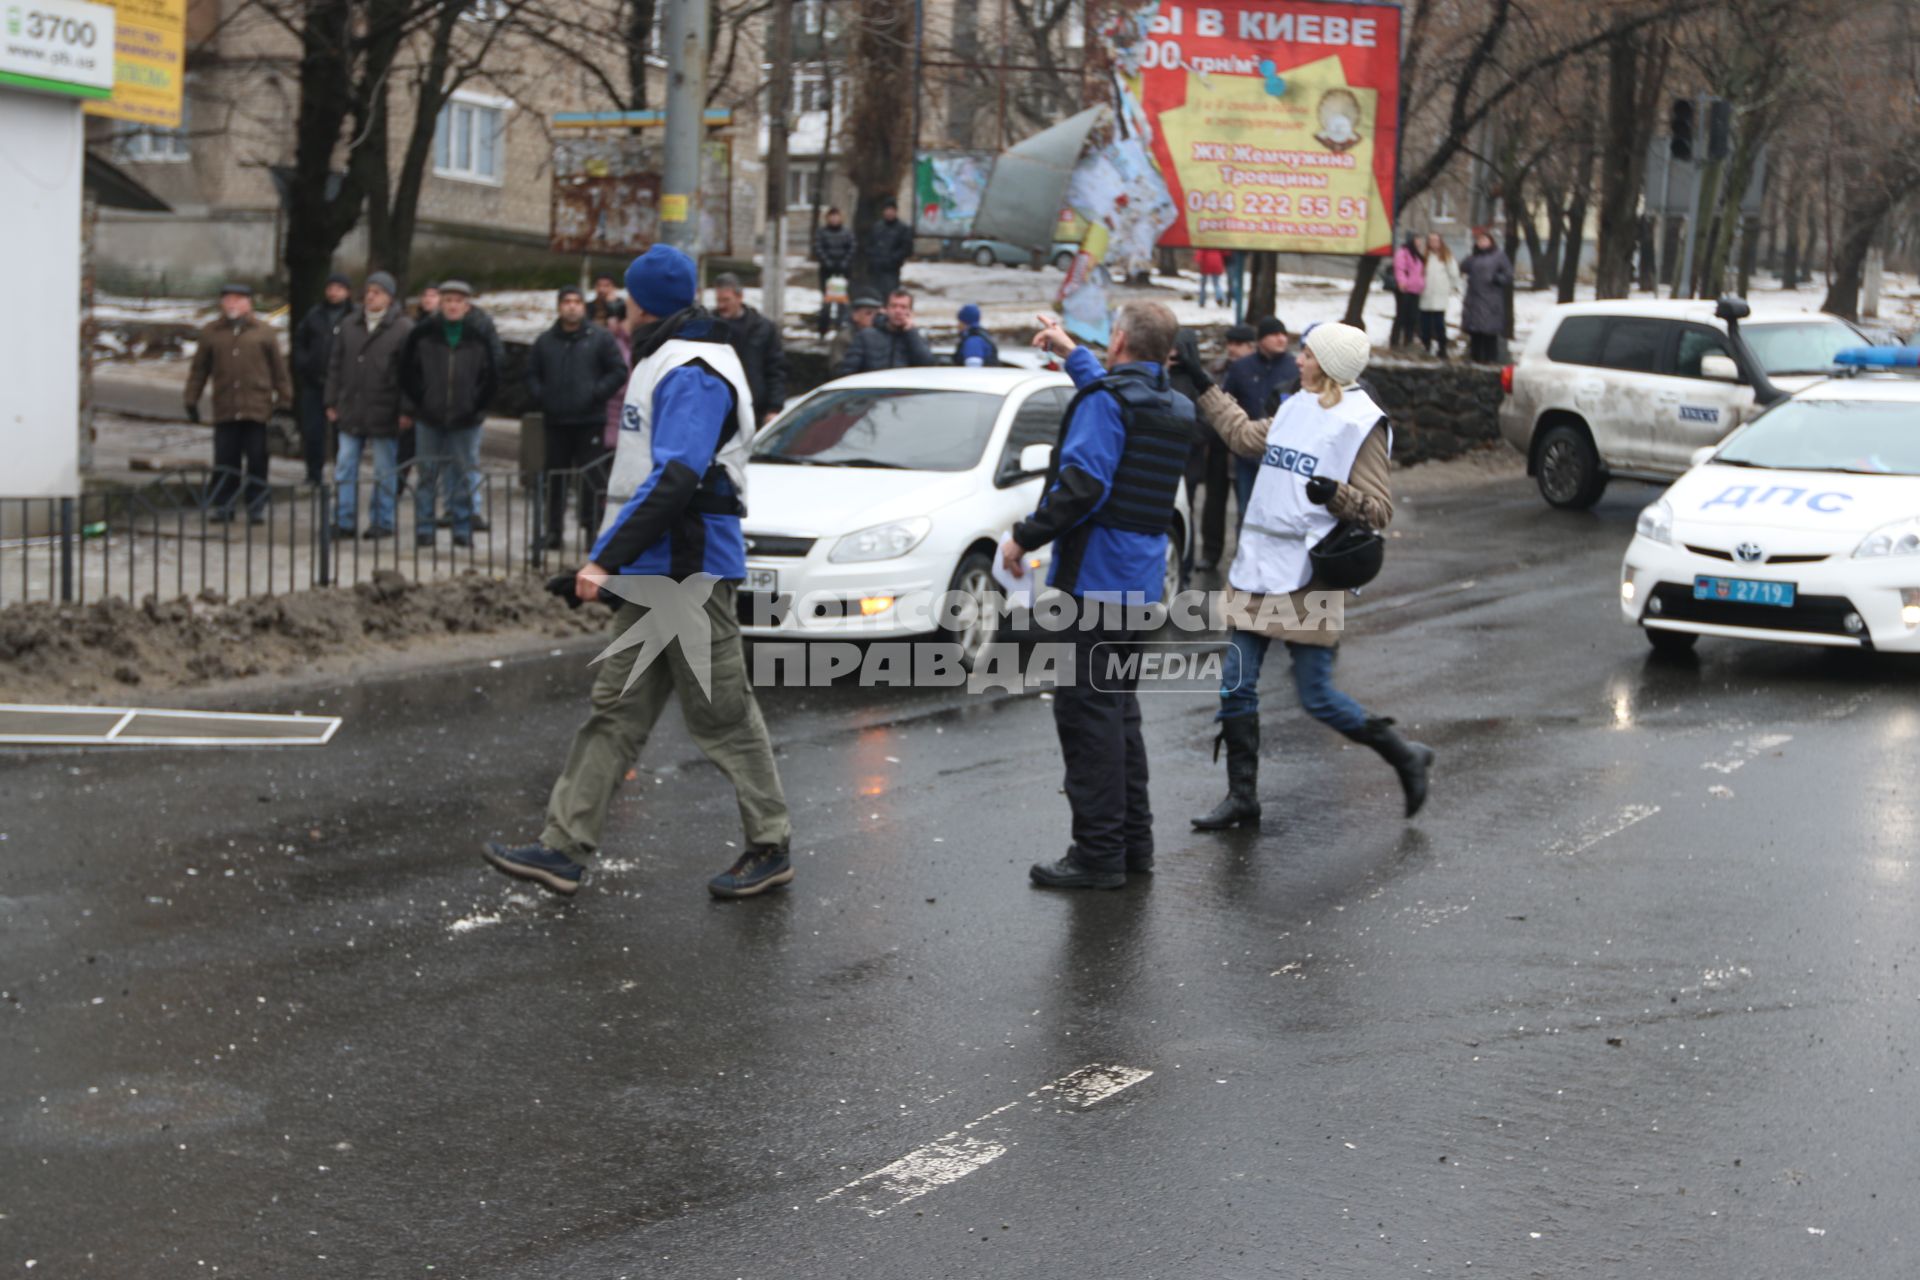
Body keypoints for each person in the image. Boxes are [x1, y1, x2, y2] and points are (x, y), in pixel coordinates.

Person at [484, 243, 793, 900]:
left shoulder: (693, 367)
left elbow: (677, 476)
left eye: (625, 293)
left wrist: (603, 561)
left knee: (721, 715)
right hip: (658, 567)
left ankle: (771, 844)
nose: (618, 303)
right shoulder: (667, 357)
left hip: (686, 570)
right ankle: (563, 848)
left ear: (641, 299)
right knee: (615, 713)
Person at [1176, 322, 1433, 832]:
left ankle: (1404, 754)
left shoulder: (1362, 423)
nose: (1299, 360)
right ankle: (1241, 797)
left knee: (1316, 696)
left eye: (1309, 354)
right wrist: (1201, 382)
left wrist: (1333, 494)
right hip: (1258, 566)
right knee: (1236, 685)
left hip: (1308, 576)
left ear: (1330, 365)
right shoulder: (1296, 405)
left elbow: (1378, 511)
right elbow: (1244, 436)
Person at [1001, 302, 1194, 890]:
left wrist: (1023, 538)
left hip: (1092, 586)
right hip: (1140, 584)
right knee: (1119, 716)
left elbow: (1081, 485)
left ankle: (1098, 854)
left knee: (1088, 719)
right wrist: (1069, 349)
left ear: (1119, 339)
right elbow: (1117, 396)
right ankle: (1133, 846)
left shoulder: (1109, 403)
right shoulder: (1174, 405)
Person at [528, 284, 629, 551]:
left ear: (582, 307)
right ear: (559, 306)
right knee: (556, 480)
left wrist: (597, 393)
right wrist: (543, 396)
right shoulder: (545, 341)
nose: (571, 306)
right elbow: (531, 375)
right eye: (566, 302)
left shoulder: (599, 338)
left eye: (576, 302)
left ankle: (591, 531)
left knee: (591, 481)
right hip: (557, 422)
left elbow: (618, 370)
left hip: (590, 421)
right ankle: (553, 531)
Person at [399, 280, 498, 548]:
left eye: (458, 301)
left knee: (463, 474)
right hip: (430, 416)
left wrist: (476, 405)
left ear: (466, 306)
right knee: (427, 474)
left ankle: (462, 526)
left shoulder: (478, 336)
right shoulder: (423, 334)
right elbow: (408, 371)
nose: (453, 305)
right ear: (439, 304)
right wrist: (422, 400)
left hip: (466, 418)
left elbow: (491, 375)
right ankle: (425, 527)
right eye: (448, 300)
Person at [183, 284, 291, 524]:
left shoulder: (263, 333)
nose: (232, 304)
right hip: (226, 407)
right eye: (227, 299)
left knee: (257, 459)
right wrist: (191, 399)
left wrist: (285, 401)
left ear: (248, 303)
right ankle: (224, 505)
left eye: (237, 300)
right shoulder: (212, 332)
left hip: (257, 408)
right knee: (225, 460)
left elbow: (279, 371)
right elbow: (199, 370)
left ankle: (256, 505)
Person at [324, 271, 412, 540]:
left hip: (385, 408)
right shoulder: (349, 325)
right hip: (351, 405)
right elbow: (335, 365)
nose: (371, 296)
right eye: (369, 291)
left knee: (385, 469)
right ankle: (344, 519)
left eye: (378, 292)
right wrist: (331, 400)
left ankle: (383, 521)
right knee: (345, 465)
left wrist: (407, 409)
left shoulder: (403, 329)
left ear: (389, 297)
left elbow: (410, 373)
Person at [1221, 316, 1297, 518]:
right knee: (1246, 511)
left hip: (1282, 455)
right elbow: (1226, 403)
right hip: (1247, 454)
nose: (1281, 339)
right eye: (1275, 334)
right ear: (1261, 339)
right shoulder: (1241, 368)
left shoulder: (1294, 368)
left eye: (1283, 334)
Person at [291, 272, 352, 485]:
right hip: (314, 382)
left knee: (342, 434)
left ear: (347, 291)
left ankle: (342, 474)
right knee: (312, 431)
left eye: (339, 288)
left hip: (343, 386)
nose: (334, 292)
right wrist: (304, 364)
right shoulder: (314, 315)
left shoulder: (353, 317)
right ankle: (313, 474)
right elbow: (299, 342)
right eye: (331, 287)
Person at [711, 273, 786, 424]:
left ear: (740, 297)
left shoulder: (763, 328)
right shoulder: (709, 326)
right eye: (718, 300)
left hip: (754, 411)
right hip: (717, 409)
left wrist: (774, 408)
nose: (721, 306)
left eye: (726, 300)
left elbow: (775, 369)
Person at [839, 289, 934, 374]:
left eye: (903, 307)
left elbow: (927, 366)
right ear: (885, 309)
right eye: (893, 306)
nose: (898, 311)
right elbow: (848, 371)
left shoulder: (915, 338)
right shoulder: (866, 336)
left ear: (910, 312)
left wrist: (911, 332)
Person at [1463, 227, 1514, 364]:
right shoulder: (1474, 256)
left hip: (1491, 299)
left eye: (1485, 240)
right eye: (1479, 240)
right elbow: (1463, 267)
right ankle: (1475, 358)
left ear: (1491, 241)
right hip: (1474, 299)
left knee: (1489, 331)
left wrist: (1497, 279)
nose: (1482, 243)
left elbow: (1508, 274)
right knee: (1475, 332)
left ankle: (1490, 358)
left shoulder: (1499, 256)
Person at [812, 206, 857, 335]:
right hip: (827, 272)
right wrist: (827, 262)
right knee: (827, 303)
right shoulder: (822, 232)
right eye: (831, 216)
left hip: (843, 272)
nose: (834, 219)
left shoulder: (847, 232)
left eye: (836, 216)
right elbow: (818, 248)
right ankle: (823, 330)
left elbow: (852, 247)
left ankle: (840, 329)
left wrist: (844, 263)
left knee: (842, 303)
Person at [1419, 232, 1461, 359]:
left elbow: (1454, 274)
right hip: (1425, 294)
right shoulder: (1424, 256)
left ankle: (1442, 348)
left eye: (1436, 240)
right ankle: (1426, 346)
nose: (1433, 243)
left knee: (1439, 323)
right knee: (1425, 324)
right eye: (1431, 240)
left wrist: (1453, 287)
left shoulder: (1446, 257)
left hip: (1440, 294)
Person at [865, 198, 914, 298]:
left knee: (890, 295)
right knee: (875, 296)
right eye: (887, 210)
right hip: (876, 269)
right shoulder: (877, 227)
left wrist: (893, 259)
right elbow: (869, 245)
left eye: (891, 210)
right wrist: (874, 258)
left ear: (896, 211)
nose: (889, 213)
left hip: (891, 270)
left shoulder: (903, 228)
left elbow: (906, 248)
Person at [827, 295, 881, 371]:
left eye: (877, 314)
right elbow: (837, 367)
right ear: (855, 315)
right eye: (868, 313)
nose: (874, 317)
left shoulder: (880, 335)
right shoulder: (844, 338)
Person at [1390, 235, 1426, 350]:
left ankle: (1408, 340)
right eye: (1417, 240)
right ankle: (1394, 341)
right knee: (1401, 316)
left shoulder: (1417, 255)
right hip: (1404, 289)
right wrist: (1402, 282)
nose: (1419, 242)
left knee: (1412, 317)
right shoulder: (1403, 252)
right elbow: (1399, 269)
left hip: (1415, 290)